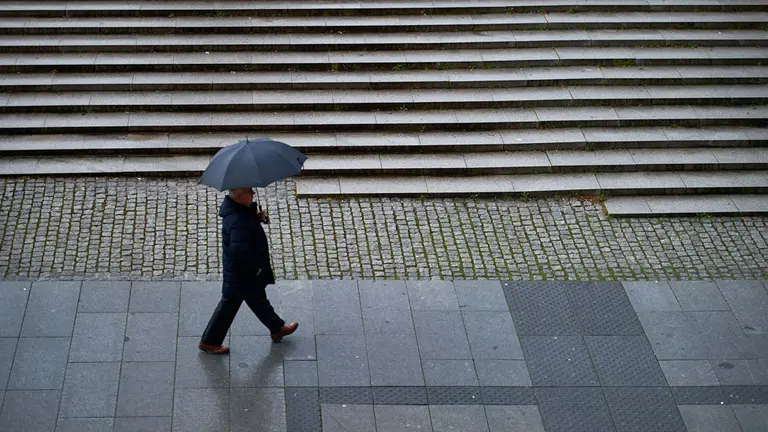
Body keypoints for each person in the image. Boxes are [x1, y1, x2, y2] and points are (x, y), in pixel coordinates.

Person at [199, 187, 297, 355]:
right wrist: (256, 269)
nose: (252, 193)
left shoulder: (239, 212)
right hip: (243, 273)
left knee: (257, 298)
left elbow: (245, 229)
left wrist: (256, 217)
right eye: (249, 191)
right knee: (230, 303)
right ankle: (209, 342)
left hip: (241, 272)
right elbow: (240, 250)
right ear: (239, 196)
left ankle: (276, 328)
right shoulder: (238, 221)